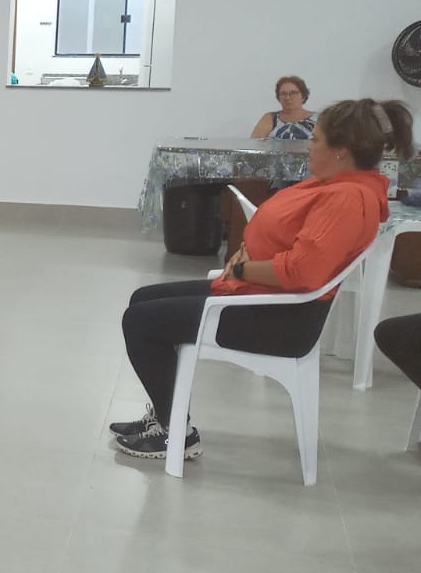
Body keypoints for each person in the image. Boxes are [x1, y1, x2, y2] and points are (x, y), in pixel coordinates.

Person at [111, 99, 413, 458]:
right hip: (260, 294)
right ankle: (166, 415)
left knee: (140, 321)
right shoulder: (340, 185)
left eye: (315, 140)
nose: (308, 146)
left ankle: (175, 433)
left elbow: (302, 271)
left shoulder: (347, 198)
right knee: (143, 298)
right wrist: (248, 260)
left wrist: (241, 268)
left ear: (340, 152)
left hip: (278, 319)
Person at [250, 75, 317, 140]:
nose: (287, 98)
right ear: (278, 97)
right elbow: (255, 144)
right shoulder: (269, 118)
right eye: (283, 94)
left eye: (293, 93)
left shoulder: (318, 119)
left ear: (303, 96)